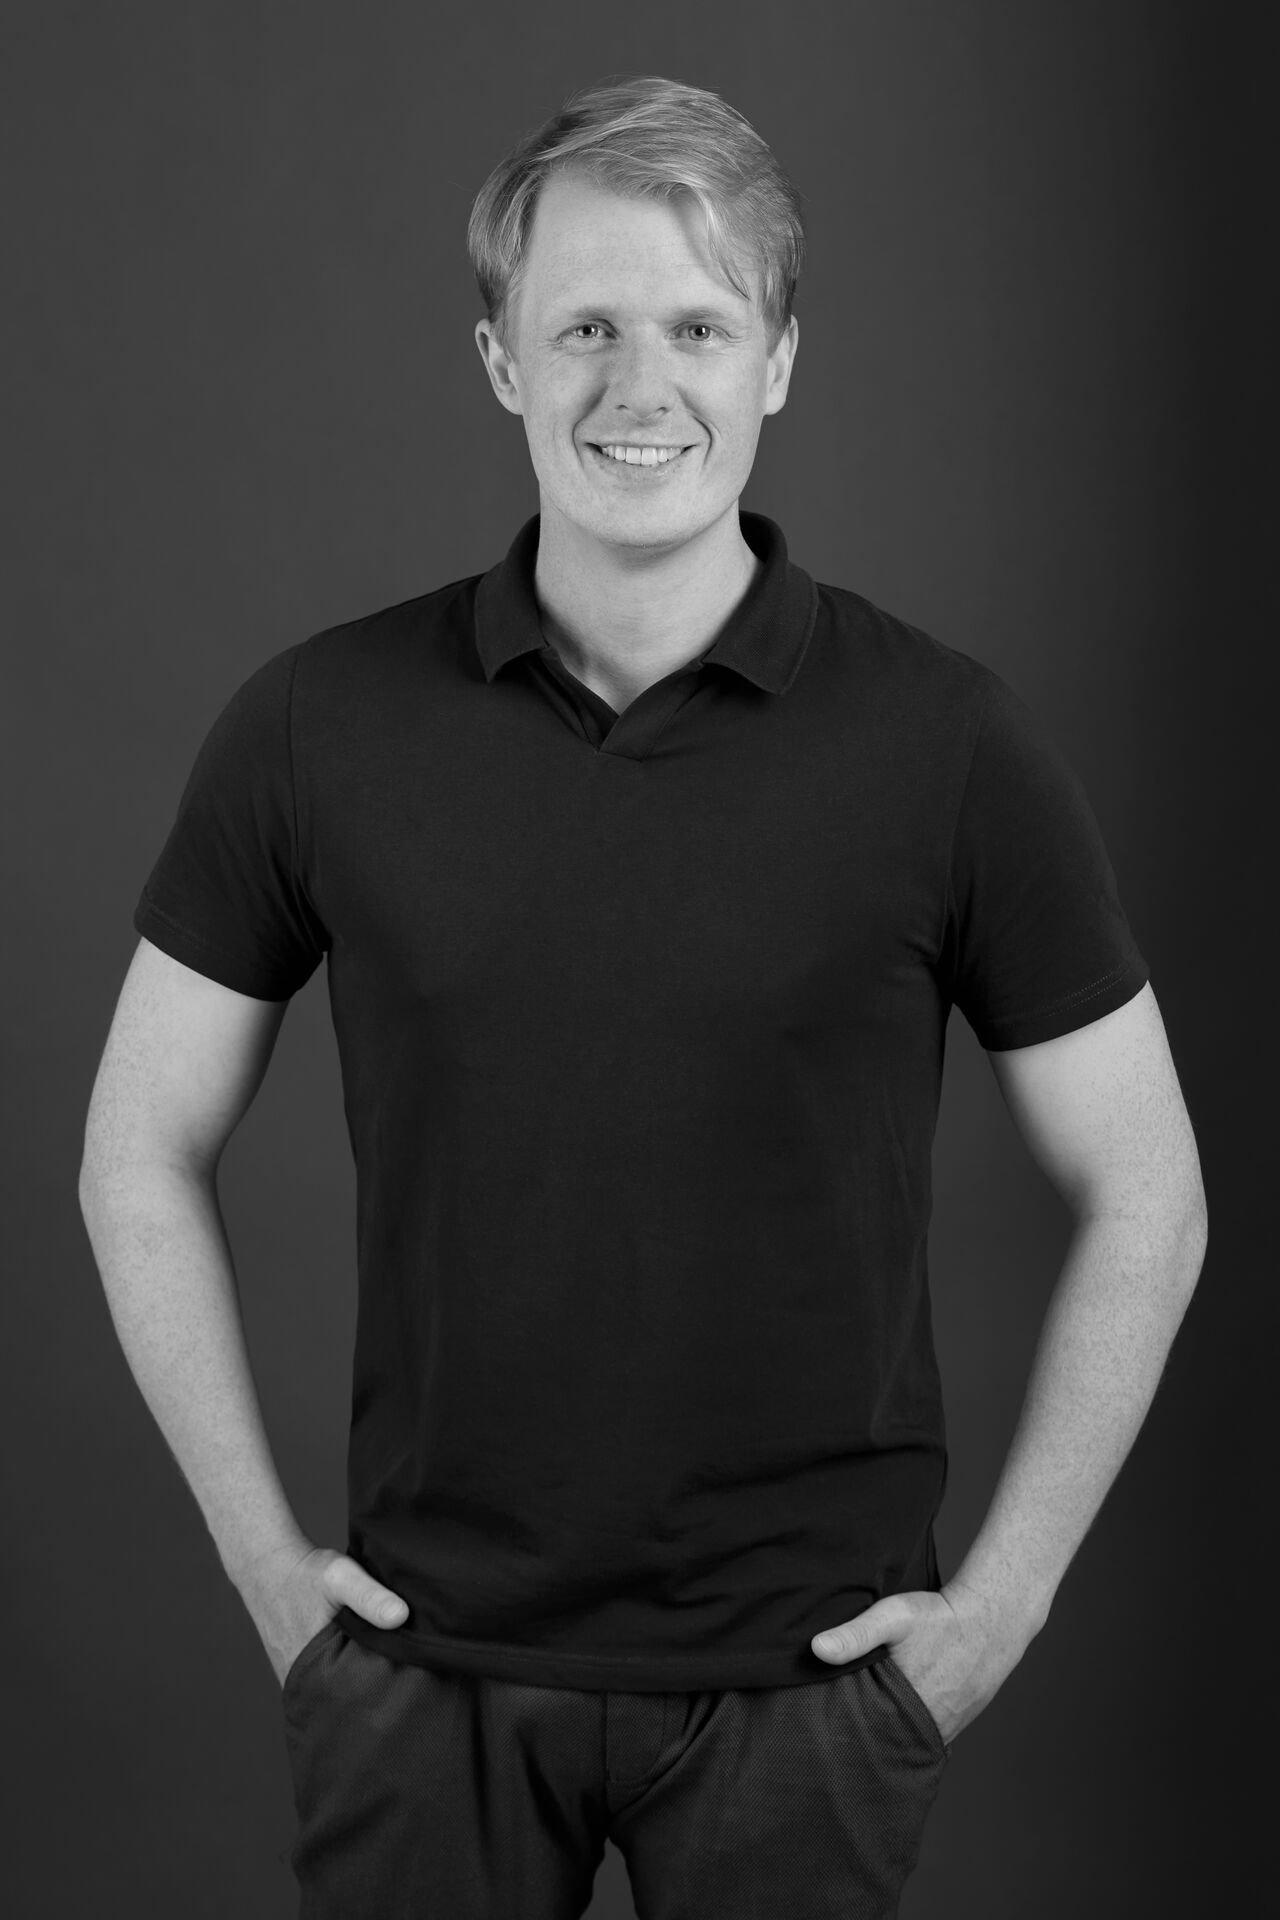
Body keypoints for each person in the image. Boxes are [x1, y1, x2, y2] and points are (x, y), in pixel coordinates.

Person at [78, 72, 1207, 1920]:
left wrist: (997, 1615)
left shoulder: (951, 745)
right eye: (583, 327)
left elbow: (1150, 1192)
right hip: (422, 1677)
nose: (639, 384)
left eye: (697, 326)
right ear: (501, 361)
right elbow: (135, 1145)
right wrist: (268, 1575)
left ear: (778, 360)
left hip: (814, 1693)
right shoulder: (317, 725)